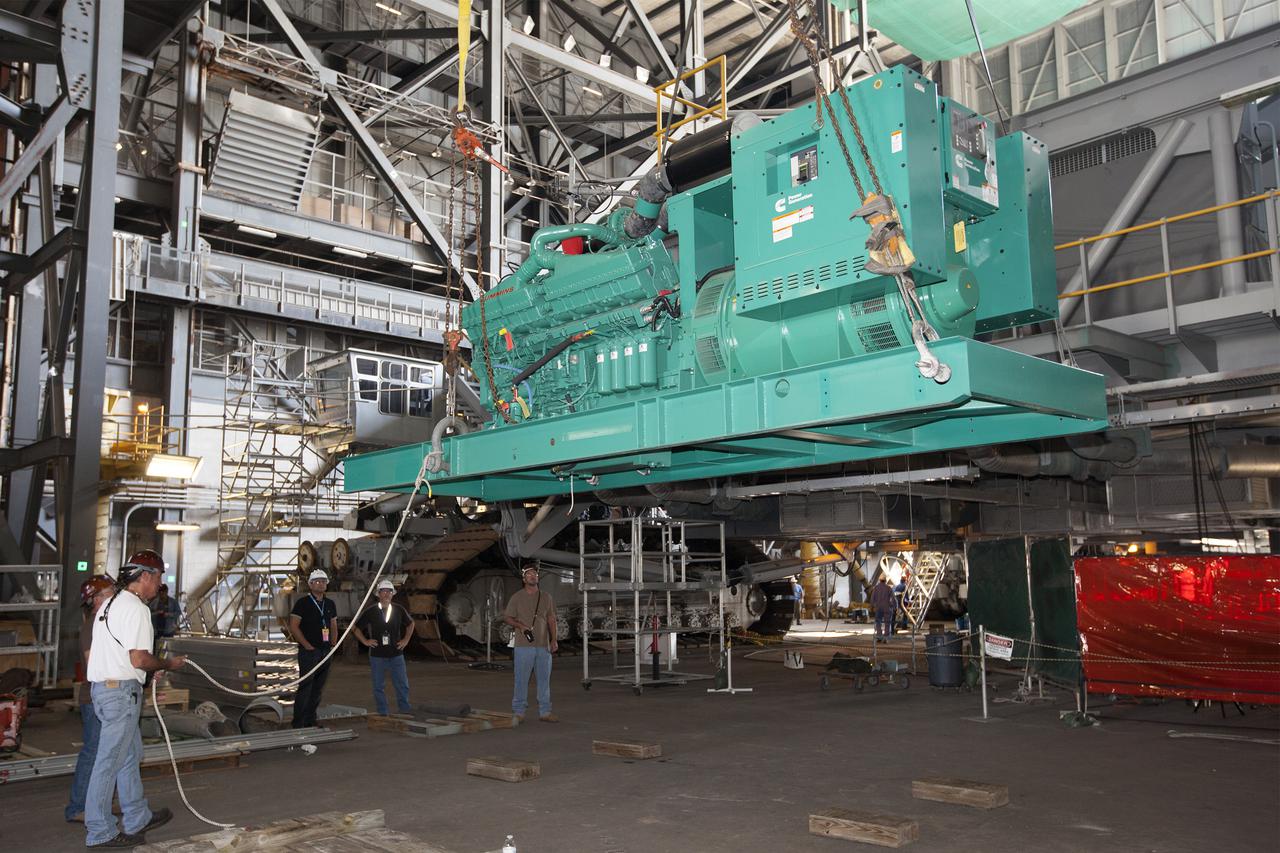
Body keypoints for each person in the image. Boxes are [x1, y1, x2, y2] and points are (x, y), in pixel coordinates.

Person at [84, 550, 186, 849]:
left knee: (128, 757)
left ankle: (137, 816)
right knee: (108, 763)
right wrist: (167, 664)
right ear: (145, 577)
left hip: (105, 690)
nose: (159, 584)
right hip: (119, 694)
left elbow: (122, 655)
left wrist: (141, 672)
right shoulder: (137, 608)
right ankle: (99, 831)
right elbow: (139, 658)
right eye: (158, 578)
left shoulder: (111, 604)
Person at [65, 573, 115, 824]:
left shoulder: (104, 623)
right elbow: (94, 662)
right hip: (95, 699)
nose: (113, 598)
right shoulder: (92, 627)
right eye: (108, 594)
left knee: (106, 754)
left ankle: (97, 803)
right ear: (95, 600)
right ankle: (77, 808)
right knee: (93, 753)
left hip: (103, 697)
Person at [503, 564, 558, 723]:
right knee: (521, 679)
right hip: (523, 646)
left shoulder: (546, 597)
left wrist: (554, 639)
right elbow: (507, 617)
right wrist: (521, 626)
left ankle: (545, 712)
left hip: (543, 645)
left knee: (544, 680)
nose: (532, 576)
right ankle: (519, 712)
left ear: (538, 577)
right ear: (523, 578)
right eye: (529, 574)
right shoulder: (517, 597)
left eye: (535, 574)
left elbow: (551, 619)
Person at [352, 579, 414, 716]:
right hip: (377, 655)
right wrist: (365, 641)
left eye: (389, 591)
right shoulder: (371, 611)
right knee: (378, 687)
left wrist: (406, 639)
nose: (386, 594)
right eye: (383, 591)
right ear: (378, 594)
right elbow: (355, 628)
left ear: (393, 594)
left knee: (402, 685)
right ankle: (383, 713)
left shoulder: (399, 609)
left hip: (396, 654)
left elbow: (411, 624)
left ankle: (405, 710)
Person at [289, 569, 338, 729]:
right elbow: (294, 626)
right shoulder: (302, 603)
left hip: (325, 651)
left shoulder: (329, 604)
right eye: (317, 581)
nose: (321, 584)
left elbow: (333, 624)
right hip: (309, 652)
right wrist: (307, 645)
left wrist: (333, 644)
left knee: (318, 688)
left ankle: (311, 720)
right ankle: (298, 723)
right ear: (310, 584)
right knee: (306, 687)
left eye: (323, 581)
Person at [870, 576, 895, 643]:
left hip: (878, 608)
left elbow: (872, 598)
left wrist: (872, 607)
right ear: (885, 580)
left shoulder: (876, 588)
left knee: (878, 622)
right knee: (887, 623)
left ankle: (879, 637)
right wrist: (895, 607)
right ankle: (886, 638)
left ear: (879, 580)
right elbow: (893, 598)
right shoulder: (889, 588)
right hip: (887, 607)